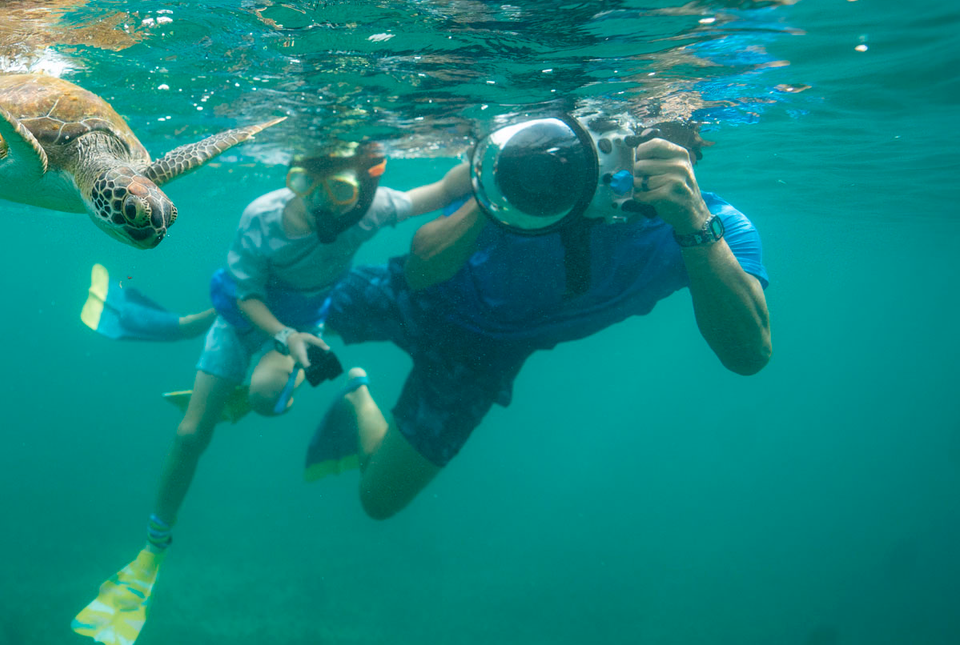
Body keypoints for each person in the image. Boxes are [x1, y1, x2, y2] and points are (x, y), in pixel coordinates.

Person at [72, 142, 473, 645]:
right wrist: (285, 338)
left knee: (265, 399)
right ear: (296, 180)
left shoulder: (371, 212)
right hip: (248, 314)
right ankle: (152, 551)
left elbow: (440, 191)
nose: (323, 205)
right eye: (309, 188)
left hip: (304, 321)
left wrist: (489, 160)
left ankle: (224, 371)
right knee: (191, 432)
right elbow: (246, 297)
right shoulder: (262, 218)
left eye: (342, 190)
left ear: (362, 189)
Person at [308, 115, 772, 521]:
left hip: (485, 356)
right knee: (267, 315)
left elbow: (749, 355)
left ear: (688, 150)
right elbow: (420, 272)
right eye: (609, 139)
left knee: (377, 500)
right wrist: (506, 187)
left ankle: (358, 398)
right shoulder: (530, 163)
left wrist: (692, 223)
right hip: (415, 295)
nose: (623, 161)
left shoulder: (712, 227)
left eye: (648, 142)